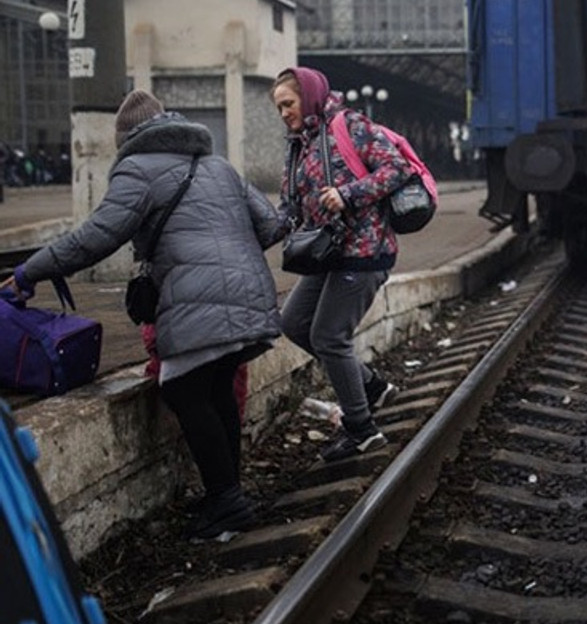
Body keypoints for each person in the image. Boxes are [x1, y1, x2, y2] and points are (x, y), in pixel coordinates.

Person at [0, 90, 283, 541]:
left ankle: (227, 501)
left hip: (201, 300)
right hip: (252, 295)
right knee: (215, 388)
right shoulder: (219, 165)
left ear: (127, 137)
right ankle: (227, 493)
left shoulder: (138, 167)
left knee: (185, 388)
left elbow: (96, 237)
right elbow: (269, 225)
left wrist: (29, 272)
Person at [271, 67, 405, 462]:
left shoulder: (350, 126)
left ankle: (362, 430)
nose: (283, 113)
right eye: (278, 107)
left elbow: (397, 169)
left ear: (309, 97)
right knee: (294, 322)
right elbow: (288, 206)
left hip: (365, 250)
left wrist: (348, 194)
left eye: (288, 103)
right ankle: (373, 388)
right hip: (329, 254)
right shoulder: (299, 144)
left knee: (330, 337)